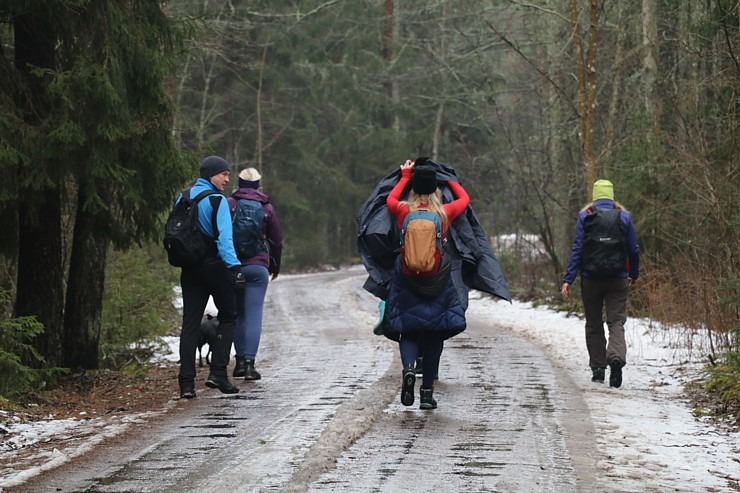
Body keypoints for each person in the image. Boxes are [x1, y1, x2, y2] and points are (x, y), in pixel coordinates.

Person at [384, 157, 470, 409]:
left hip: (406, 277)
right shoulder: (444, 214)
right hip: (437, 280)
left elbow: (389, 199)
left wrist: (404, 177)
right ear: (436, 190)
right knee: (434, 335)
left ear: (413, 190)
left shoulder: (403, 211)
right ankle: (427, 393)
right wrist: (452, 181)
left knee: (407, 329)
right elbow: (464, 200)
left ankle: (409, 368)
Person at [175, 155, 244, 398]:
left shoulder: (183, 197)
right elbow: (225, 239)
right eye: (223, 174)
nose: (227, 178)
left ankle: (186, 383)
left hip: (190, 267)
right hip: (215, 266)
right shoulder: (217, 200)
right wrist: (235, 267)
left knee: (190, 323)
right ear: (211, 175)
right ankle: (218, 373)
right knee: (229, 316)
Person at [561, 179, 640, 388]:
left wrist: (568, 279)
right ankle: (615, 359)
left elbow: (578, 249)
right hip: (618, 278)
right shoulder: (624, 217)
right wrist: (634, 273)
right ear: (612, 196)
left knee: (594, 323)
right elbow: (633, 249)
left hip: (591, 279)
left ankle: (598, 368)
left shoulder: (585, 216)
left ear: (595, 197)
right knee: (616, 322)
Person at [228, 168, 283, 381]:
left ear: (239, 182)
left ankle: (239, 362)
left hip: (234, 266)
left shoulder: (229, 204)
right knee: (254, 315)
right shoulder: (266, 207)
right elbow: (276, 241)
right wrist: (274, 266)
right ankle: (251, 364)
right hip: (258, 266)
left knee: (238, 314)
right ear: (259, 183)